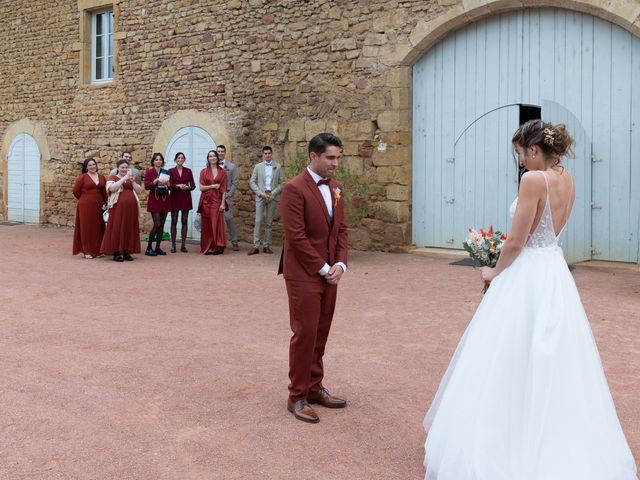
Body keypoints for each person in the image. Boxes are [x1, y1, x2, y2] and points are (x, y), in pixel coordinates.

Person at [423, 120, 638, 479]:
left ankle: (507, 444)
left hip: (527, 274)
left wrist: (493, 271)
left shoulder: (533, 180)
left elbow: (517, 241)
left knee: (508, 354)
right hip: (554, 271)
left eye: (520, 155)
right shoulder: (566, 177)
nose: (519, 162)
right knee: (556, 358)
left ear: (533, 150)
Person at [278, 133, 349, 424]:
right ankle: (297, 396)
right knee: (305, 333)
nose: (336, 163)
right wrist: (323, 267)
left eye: (338, 158)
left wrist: (341, 265)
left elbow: (341, 229)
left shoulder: (336, 188)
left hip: (330, 273)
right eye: (330, 158)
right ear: (313, 156)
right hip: (304, 274)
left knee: (321, 331)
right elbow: (295, 237)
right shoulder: (293, 189)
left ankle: (315, 387)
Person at [101, 159, 142, 261]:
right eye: (122, 167)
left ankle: (126, 251)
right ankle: (116, 251)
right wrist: (124, 178)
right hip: (117, 208)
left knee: (128, 227)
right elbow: (112, 189)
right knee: (117, 227)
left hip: (130, 209)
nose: (124, 169)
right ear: (118, 168)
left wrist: (132, 181)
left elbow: (138, 190)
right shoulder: (113, 177)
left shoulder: (131, 178)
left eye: (126, 168)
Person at [248, 146, 284, 255]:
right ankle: (255, 246)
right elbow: (252, 182)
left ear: (272, 154)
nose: (267, 155)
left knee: (269, 222)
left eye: (269, 153)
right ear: (263, 155)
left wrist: (274, 192)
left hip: (272, 196)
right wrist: (260, 192)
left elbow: (282, 183)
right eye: (265, 153)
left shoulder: (278, 167)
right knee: (258, 221)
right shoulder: (258, 167)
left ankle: (266, 245)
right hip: (261, 195)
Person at [72, 157, 107, 258]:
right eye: (90, 165)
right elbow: (75, 191)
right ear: (86, 167)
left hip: (99, 205)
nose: (92, 166)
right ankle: (87, 251)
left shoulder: (101, 177)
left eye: (93, 164)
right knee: (86, 227)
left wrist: (106, 203)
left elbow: (104, 192)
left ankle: (98, 250)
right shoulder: (82, 177)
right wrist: (84, 199)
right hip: (85, 206)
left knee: (98, 227)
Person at [198, 150, 227, 255]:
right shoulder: (203, 171)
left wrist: (223, 203)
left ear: (217, 158)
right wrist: (212, 186)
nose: (212, 158)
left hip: (217, 200)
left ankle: (216, 247)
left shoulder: (222, 172)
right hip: (206, 201)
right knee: (207, 225)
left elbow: (223, 189)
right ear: (208, 158)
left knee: (215, 223)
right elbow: (201, 187)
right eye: (210, 156)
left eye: (214, 156)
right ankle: (207, 247)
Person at [143, 152, 171, 256]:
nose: (158, 161)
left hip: (164, 199)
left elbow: (170, 186)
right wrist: (155, 181)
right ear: (153, 161)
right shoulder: (149, 172)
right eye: (156, 159)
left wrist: (167, 183)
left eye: (160, 159)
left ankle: (158, 247)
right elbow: (146, 186)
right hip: (154, 200)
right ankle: (149, 247)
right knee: (157, 223)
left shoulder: (166, 172)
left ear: (162, 161)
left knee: (162, 225)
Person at [168, 152, 195, 253]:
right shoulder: (170, 171)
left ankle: (183, 245)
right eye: (178, 158)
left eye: (182, 158)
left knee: (184, 221)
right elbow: (169, 185)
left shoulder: (188, 171)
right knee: (174, 221)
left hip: (185, 197)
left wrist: (188, 187)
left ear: (184, 160)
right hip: (174, 197)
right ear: (175, 159)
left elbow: (193, 185)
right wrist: (177, 186)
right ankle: (173, 245)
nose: (180, 159)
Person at [217, 145, 240, 251]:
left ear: (225, 153)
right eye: (218, 151)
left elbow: (235, 182)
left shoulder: (231, 166)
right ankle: (217, 241)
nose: (220, 153)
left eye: (222, 151)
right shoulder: (211, 165)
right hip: (214, 195)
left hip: (226, 195)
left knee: (228, 218)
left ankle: (234, 241)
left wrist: (229, 194)